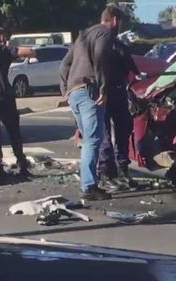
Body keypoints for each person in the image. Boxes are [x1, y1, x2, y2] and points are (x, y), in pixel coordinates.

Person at [60, 7, 123, 200]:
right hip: (89, 90)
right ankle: (88, 186)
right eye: (120, 23)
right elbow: (100, 57)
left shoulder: (83, 35)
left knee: (88, 139)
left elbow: (64, 64)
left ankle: (89, 182)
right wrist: (103, 87)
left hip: (74, 92)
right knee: (93, 140)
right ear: (114, 20)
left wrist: (64, 90)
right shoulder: (105, 33)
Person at [0, 26, 35, 178]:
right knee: (14, 132)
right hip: (4, 97)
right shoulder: (3, 49)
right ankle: (22, 165)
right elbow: (26, 52)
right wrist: (31, 52)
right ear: (0, 37)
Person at [98, 38, 140, 190]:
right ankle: (115, 171)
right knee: (116, 132)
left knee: (107, 133)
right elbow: (133, 71)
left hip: (105, 94)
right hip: (114, 92)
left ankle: (109, 172)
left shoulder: (99, 48)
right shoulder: (119, 48)